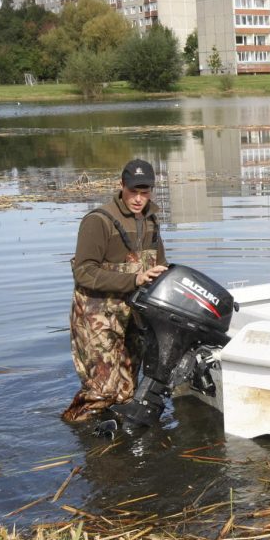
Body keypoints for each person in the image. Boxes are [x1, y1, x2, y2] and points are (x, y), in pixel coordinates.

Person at [62, 159, 169, 422]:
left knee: (126, 392)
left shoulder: (151, 221)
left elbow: (161, 266)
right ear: (121, 185)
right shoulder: (99, 221)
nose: (139, 199)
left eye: (145, 192)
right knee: (101, 392)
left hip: (133, 317)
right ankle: (79, 434)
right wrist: (134, 280)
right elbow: (84, 271)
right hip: (96, 318)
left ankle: (113, 443)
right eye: (134, 191)